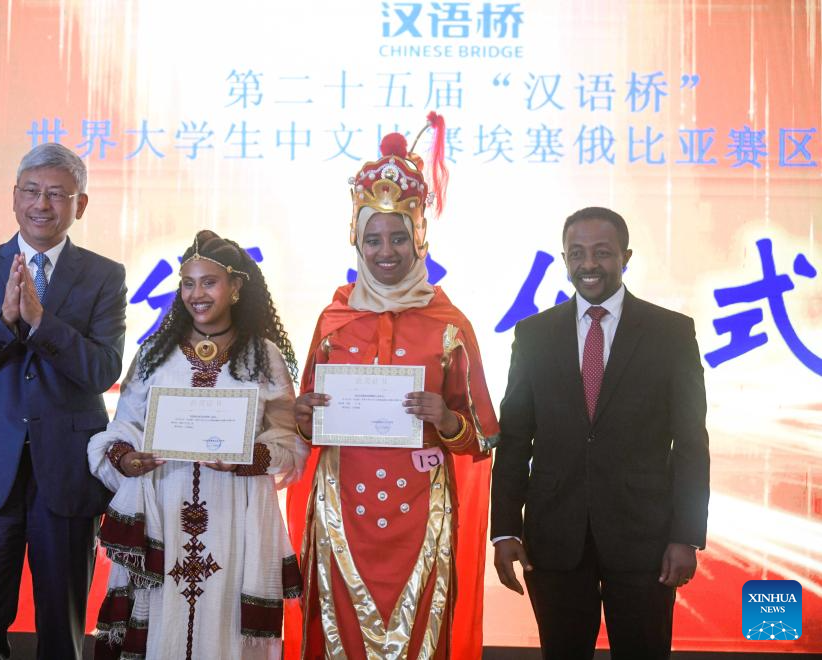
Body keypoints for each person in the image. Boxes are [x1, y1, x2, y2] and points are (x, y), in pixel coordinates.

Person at [285, 114, 500, 660]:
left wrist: (445, 419)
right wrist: (304, 415)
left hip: (421, 511)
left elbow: (483, 436)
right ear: (356, 241)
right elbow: (305, 421)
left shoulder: (449, 324)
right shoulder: (334, 320)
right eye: (373, 238)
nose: (387, 251)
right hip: (342, 508)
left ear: (419, 238)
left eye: (399, 237)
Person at [490, 206, 710, 659]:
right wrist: (506, 529)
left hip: (645, 540)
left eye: (602, 252)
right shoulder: (533, 335)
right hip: (554, 537)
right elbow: (514, 439)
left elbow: (691, 442)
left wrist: (686, 535)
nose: (588, 264)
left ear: (625, 257)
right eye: (577, 253)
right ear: (564, 259)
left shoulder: (670, 333)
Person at [0, 142, 127, 659]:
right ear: (14, 197)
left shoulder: (105, 276)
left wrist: (42, 323)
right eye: (32, 191)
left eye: (57, 194)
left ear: (80, 205)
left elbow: (103, 370)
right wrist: (3, 321)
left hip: (65, 473)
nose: (42, 204)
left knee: (62, 629)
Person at [88, 230, 308, 660]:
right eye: (188, 283)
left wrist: (244, 458)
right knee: (162, 619)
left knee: (224, 622)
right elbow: (125, 425)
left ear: (236, 286)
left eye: (209, 282)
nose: (197, 294)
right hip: (163, 506)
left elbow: (288, 445)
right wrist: (127, 458)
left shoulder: (264, 357)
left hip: (235, 512)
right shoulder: (155, 353)